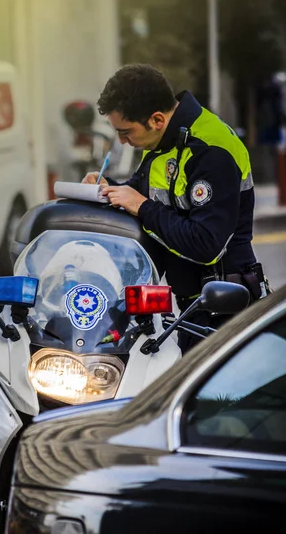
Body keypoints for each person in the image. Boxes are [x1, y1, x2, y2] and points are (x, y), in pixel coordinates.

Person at [82, 63, 270, 354]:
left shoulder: (211, 150)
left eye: (125, 131)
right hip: (192, 308)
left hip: (226, 310)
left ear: (157, 119)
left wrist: (140, 205)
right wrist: (107, 187)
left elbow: (207, 244)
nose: (122, 141)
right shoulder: (164, 142)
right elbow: (138, 196)